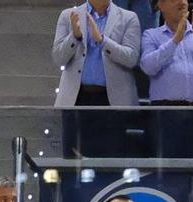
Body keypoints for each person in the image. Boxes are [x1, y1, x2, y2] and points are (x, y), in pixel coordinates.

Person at [51, 0, 143, 157]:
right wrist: (75, 36)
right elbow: (59, 58)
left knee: (111, 163)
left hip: (113, 102)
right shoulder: (68, 16)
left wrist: (102, 41)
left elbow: (132, 58)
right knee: (74, 163)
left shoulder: (128, 17)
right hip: (77, 100)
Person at [142, 0, 193, 110]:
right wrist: (175, 40)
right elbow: (148, 67)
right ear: (161, 5)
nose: (181, 2)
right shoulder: (151, 35)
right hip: (165, 109)